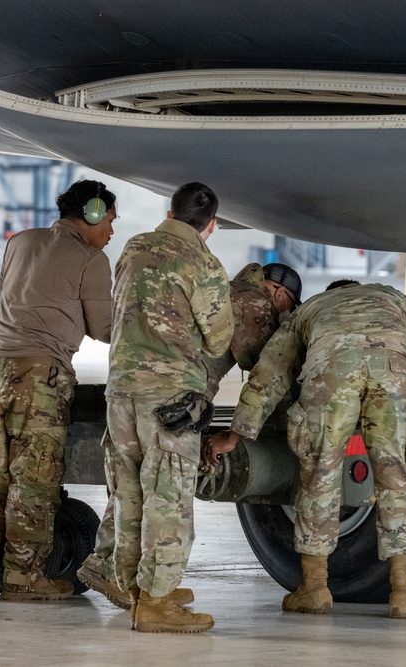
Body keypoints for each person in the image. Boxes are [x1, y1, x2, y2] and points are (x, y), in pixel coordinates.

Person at [205, 280, 406, 619]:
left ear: (331, 292)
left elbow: (270, 374)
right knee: (396, 480)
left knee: (320, 477)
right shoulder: (394, 299)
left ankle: (315, 589)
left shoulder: (310, 309)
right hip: (394, 373)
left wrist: (235, 435)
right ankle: (404, 593)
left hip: (331, 370)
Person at [76, 262, 302, 610]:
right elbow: (268, 366)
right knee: (162, 489)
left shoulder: (226, 292)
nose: (283, 314)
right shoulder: (255, 303)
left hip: (135, 384)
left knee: (133, 480)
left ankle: (127, 575)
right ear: (279, 292)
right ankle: (120, 574)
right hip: (176, 394)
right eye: (287, 306)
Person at [0, 180, 117, 601]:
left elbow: (9, 296)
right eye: (109, 220)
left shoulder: (19, 242)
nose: (111, 230)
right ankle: (24, 579)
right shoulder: (91, 258)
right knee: (33, 483)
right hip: (40, 379)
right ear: (91, 214)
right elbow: (105, 328)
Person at [104, 182, 233, 633]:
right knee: (168, 499)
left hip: (120, 391)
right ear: (210, 225)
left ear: (169, 210)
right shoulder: (204, 263)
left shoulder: (133, 247)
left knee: (128, 493)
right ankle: (156, 603)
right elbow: (219, 339)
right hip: (170, 399)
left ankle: (137, 588)